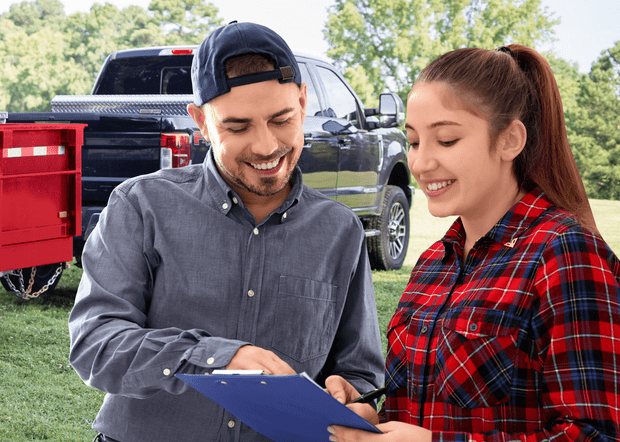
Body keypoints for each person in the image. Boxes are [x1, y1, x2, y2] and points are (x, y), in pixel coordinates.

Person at [68, 21, 384, 442]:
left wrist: (355, 395)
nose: (267, 146)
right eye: (237, 127)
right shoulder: (142, 206)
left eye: (282, 119)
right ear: (200, 121)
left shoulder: (340, 231)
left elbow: (359, 371)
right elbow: (97, 345)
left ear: (303, 103)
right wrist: (216, 357)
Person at [326, 45, 620, 442]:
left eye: (447, 140)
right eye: (415, 142)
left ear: (509, 141)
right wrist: (368, 413)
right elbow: (422, 412)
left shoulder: (566, 256)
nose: (419, 164)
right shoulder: (433, 262)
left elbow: (595, 436)